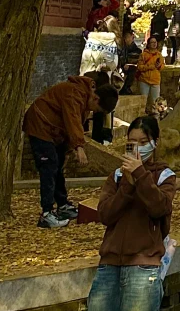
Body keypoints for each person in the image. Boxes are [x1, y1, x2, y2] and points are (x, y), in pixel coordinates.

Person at [82, 115, 176, 311]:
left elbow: (159, 208)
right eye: (132, 143)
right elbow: (105, 214)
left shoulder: (164, 176)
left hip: (143, 268)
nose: (137, 148)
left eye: (143, 142)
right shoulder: (116, 176)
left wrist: (141, 176)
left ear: (154, 142)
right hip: (110, 265)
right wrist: (127, 184)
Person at [24, 75, 120, 227]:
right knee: (49, 166)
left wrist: (68, 150)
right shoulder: (74, 94)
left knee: (58, 164)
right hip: (41, 126)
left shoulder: (84, 99)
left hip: (54, 131)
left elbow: (72, 125)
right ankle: (46, 213)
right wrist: (79, 147)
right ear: (95, 99)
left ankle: (62, 205)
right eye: (97, 109)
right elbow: (72, 120)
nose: (94, 111)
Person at [136, 36, 163, 112]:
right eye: (152, 42)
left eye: (155, 42)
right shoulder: (143, 55)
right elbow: (140, 67)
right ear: (148, 44)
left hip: (155, 80)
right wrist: (151, 66)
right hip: (144, 80)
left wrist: (159, 66)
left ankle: (155, 117)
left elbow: (162, 67)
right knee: (143, 101)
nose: (154, 44)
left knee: (155, 102)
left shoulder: (159, 55)